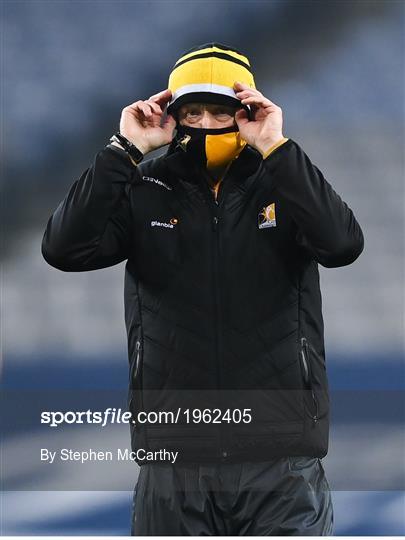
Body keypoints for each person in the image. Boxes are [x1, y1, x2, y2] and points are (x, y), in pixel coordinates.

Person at [41, 42, 364, 535]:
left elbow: (342, 244)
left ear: (247, 111)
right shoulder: (142, 186)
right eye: (193, 110)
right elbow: (64, 250)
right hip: (174, 459)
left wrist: (277, 147)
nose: (208, 123)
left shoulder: (284, 180)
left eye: (221, 110)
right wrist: (123, 150)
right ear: (172, 115)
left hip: (280, 456)